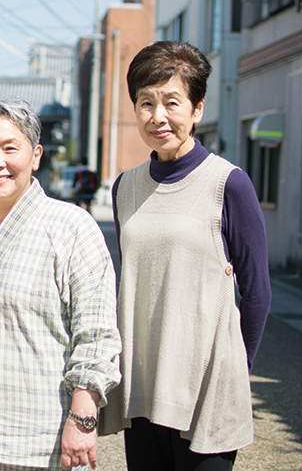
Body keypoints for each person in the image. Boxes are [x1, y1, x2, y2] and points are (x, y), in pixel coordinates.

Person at [101, 41, 272, 471]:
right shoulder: (125, 187)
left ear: (196, 110)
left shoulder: (229, 183)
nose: (158, 117)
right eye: (146, 103)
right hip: (143, 383)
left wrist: (236, 372)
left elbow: (256, 293)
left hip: (204, 386)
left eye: (171, 102)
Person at [0, 98, 121, 471]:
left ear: (35, 156)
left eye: (10, 148)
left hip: (38, 440)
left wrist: (82, 421)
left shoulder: (72, 228)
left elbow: (96, 335)